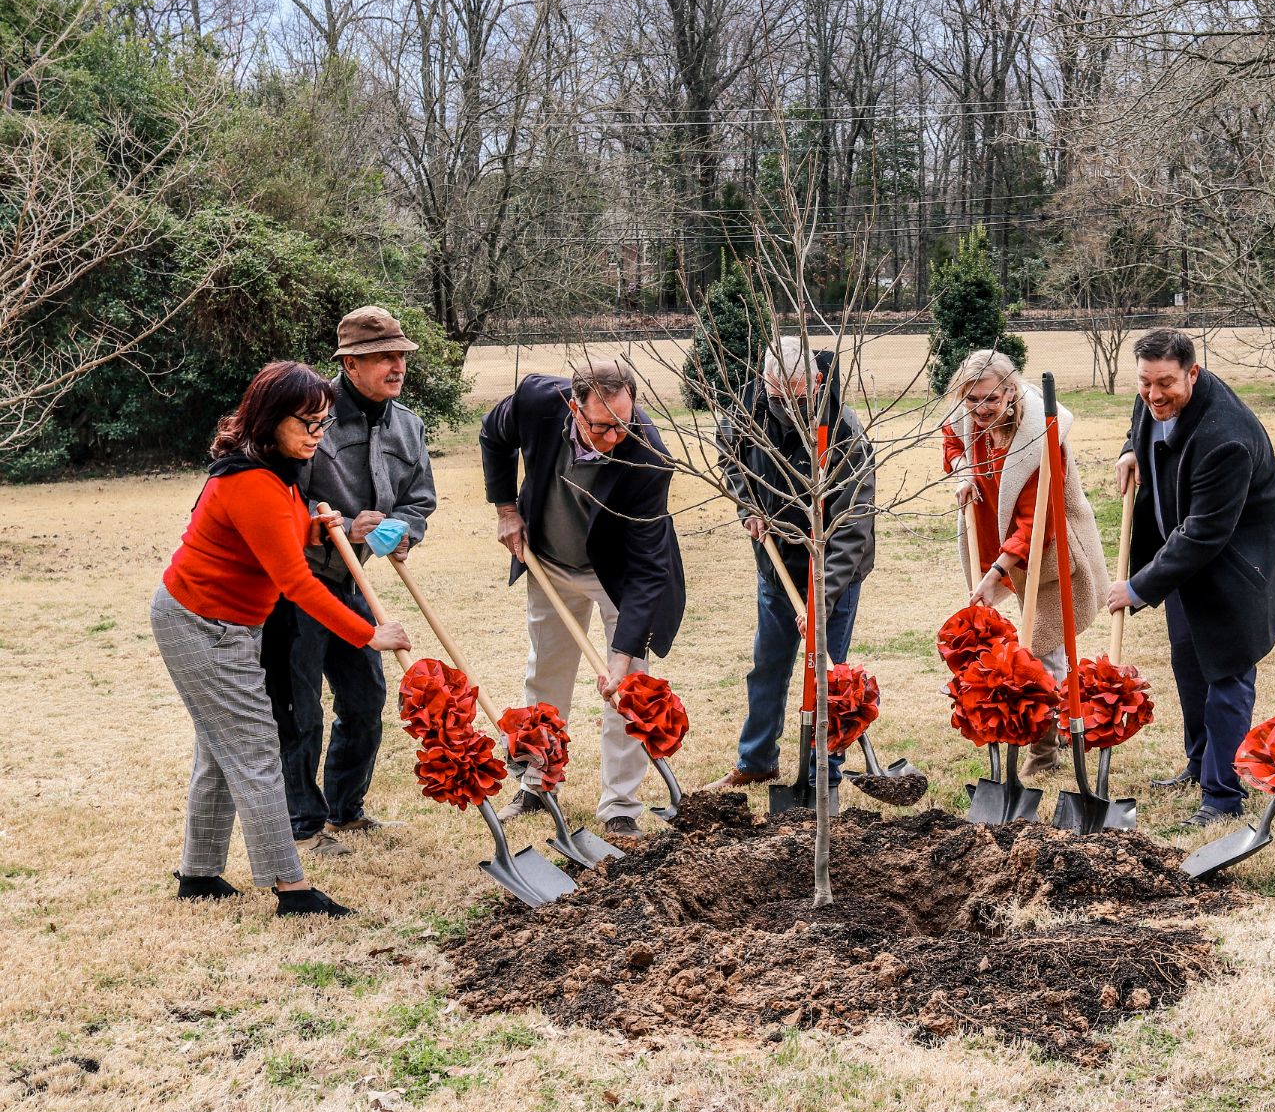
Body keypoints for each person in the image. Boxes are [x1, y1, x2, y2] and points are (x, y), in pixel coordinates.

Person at [153, 361, 412, 918]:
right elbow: (295, 582)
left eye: (324, 424)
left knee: (220, 752)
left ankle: (199, 875)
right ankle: (291, 889)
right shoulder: (251, 481)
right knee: (255, 752)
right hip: (200, 624)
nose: (318, 436)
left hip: (231, 623)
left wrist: (324, 526)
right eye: (308, 424)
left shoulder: (277, 469)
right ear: (271, 420)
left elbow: (281, 531)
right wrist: (370, 634)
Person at [480, 357, 687, 836]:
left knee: (629, 686)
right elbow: (494, 434)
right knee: (546, 673)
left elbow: (647, 568)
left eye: (624, 424)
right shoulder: (536, 401)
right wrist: (506, 508)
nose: (616, 438)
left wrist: (621, 657)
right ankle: (537, 782)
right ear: (573, 407)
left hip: (615, 573)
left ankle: (619, 805)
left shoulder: (648, 456)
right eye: (601, 427)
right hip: (548, 558)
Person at [260, 306, 437, 859]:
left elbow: (419, 499)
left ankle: (346, 809)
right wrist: (333, 523)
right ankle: (303, 824)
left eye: (401, 356)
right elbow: (278, 497)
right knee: (300, 708)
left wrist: (402, 530)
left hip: (354, 585)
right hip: (297, 585)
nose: (396, 365)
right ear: (351, 364)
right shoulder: (311, 418)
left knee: (366, 698)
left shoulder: (408, 424)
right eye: (384, 356)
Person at [1108, 329, 1275, 828]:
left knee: (1226, 670)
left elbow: (1206, 534)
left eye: (1165, 383)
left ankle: (1223, 794)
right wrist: (1131, 449)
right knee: (1190, 661)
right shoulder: (1156, 392)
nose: (1153, 394)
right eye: (1145, 382)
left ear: (1194, 372)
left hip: (1238, 562)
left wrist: (1139, 586)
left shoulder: (1225, 438)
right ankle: (1199, 764)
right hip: (1186, 554)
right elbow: (1141, 414)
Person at [707, 337, 876, 790]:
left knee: (828, 671)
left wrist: (822, 598)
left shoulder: (844, 432)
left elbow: (853, 529)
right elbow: (731, 459)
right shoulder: (750, 408)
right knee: (768, 663)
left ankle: (826, 771)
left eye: (795, 397)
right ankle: (757, 758)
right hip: (776, 560)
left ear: (816, 383)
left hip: (835, 565)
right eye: (776, 395)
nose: (784, 406)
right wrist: (749, 507)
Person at [944, 349, 1108, 780]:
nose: (980, 410)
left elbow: (1035, 521)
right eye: (971, 400)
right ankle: (1027, 734)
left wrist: (998, 571)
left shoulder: (1041, 436)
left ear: (1011, 392)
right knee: (1017, 647)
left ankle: (1047, 751)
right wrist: (963, 471)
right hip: (1002, 540)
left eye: (991, 400)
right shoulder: (967, 418)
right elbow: (952, 440)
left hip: (1051, 545)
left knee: (1045, 647)